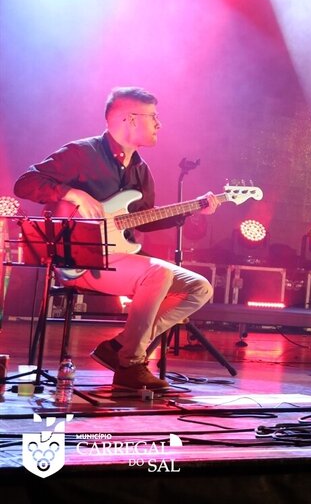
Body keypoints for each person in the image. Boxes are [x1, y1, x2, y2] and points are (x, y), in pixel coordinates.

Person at [14, 87, 220, 390]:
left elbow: (145, 220)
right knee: (158, 273)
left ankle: (120, 346)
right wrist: (73, 193)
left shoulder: (140, 170)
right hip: (80, 261)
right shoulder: (81, 153)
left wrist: (193, 209)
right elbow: (25, 183)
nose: (159, 123)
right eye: (153, 116)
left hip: (119, 256)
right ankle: (130, 364)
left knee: (199, 288)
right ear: (130, 119)